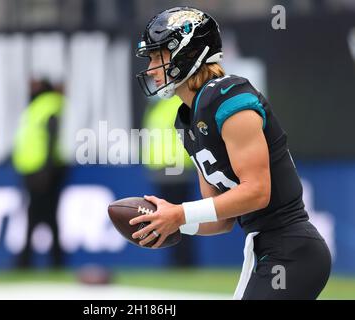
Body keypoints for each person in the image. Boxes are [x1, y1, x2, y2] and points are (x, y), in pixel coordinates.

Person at [131, 7, 331, 299]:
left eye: (158, 55)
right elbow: (220, 219)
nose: (151, 68)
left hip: (292, 251)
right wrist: (170, 222)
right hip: (266, 249)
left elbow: (257, 192)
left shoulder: (229, 96)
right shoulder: (188, 119)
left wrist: (180, 212)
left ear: (188, 52)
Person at [12, 79, 67, 269]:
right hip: (36, 170)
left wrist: (46, 171)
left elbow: (51, 139)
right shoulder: (38, 106)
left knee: (37, 216)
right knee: (46, 217)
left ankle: (26, 261)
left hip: (43, 172)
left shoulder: (48, 105)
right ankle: (55, 261)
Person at [142, 95, 196, 266]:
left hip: (176, 167)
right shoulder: (156, 108)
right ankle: (176, 261)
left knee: (180, 217)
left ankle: (184, 262)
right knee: (167, 218)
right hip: (160, 169)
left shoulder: (179, 103)